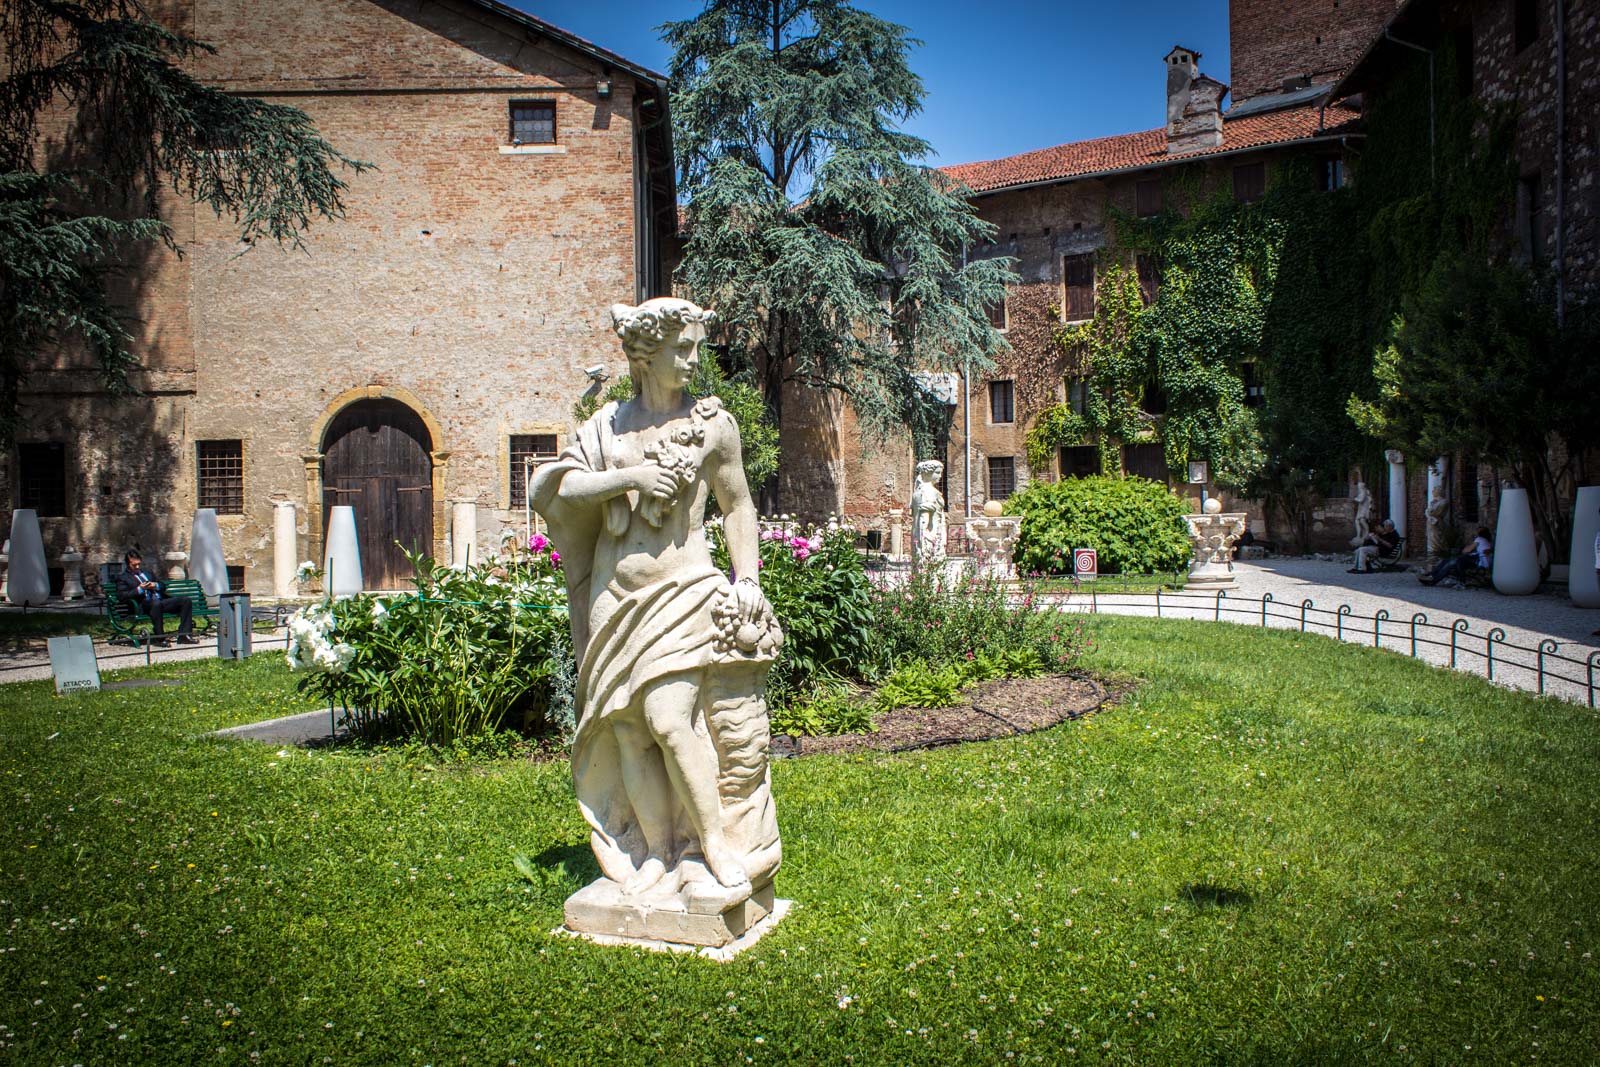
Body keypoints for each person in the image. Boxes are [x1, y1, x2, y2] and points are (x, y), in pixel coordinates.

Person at [532, 298, 783, 909]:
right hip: (613, 596)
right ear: (646, 356)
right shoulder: (607, 428)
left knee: (671, 721)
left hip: (683, 589)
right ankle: (656, 852)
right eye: (683, 349)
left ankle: (716, 844)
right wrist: (632, 478)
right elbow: (556, 486)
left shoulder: (713, 426)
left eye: (698, 347)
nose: (695, 361)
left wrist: (746, 578)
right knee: (627, 731)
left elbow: (739, 506)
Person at [113, 550, 197, 645]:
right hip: (143, 604)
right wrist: (139, 589)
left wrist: (155, 585)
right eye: (134, 565)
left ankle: (184, 635)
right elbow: (122, 596)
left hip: (160, 601)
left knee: (185, 600)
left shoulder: (147, 573)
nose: (137, 567)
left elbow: (163, 586)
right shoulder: (123, 578)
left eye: (139, 564)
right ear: (128, 564)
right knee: (156, 604)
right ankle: (160, 638)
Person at [1420, 527, 1492, 587]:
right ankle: (1432, 574)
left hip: (1480, 562)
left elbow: (1467, 550)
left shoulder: (1479, 539)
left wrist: (1465, 549)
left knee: (1452, 562)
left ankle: (1433, 578)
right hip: (1481, 561)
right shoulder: (1487, 541)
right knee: (1448, 560)